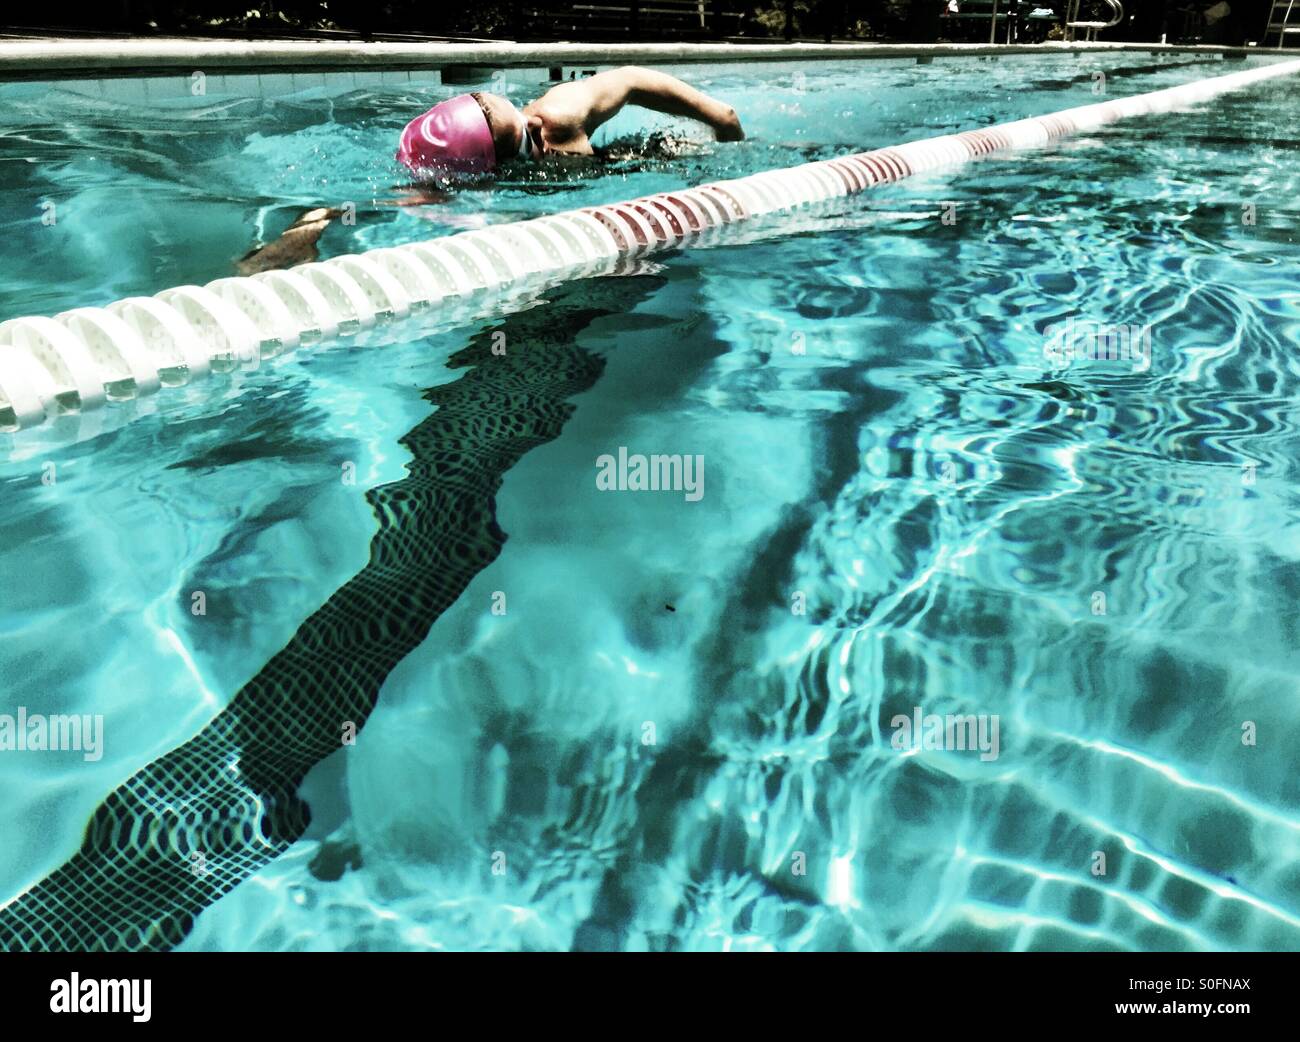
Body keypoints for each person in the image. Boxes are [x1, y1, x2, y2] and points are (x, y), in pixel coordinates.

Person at [237, 67, 743, 274]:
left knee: (671, 154)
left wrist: (714, 114)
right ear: (485, 173)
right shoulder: (454, 178)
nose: (538, 129)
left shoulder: (560, 117)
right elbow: (376, 200)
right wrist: (304, 231)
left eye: (527, 118)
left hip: (615, 165)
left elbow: (631, 80)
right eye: (523, 137)